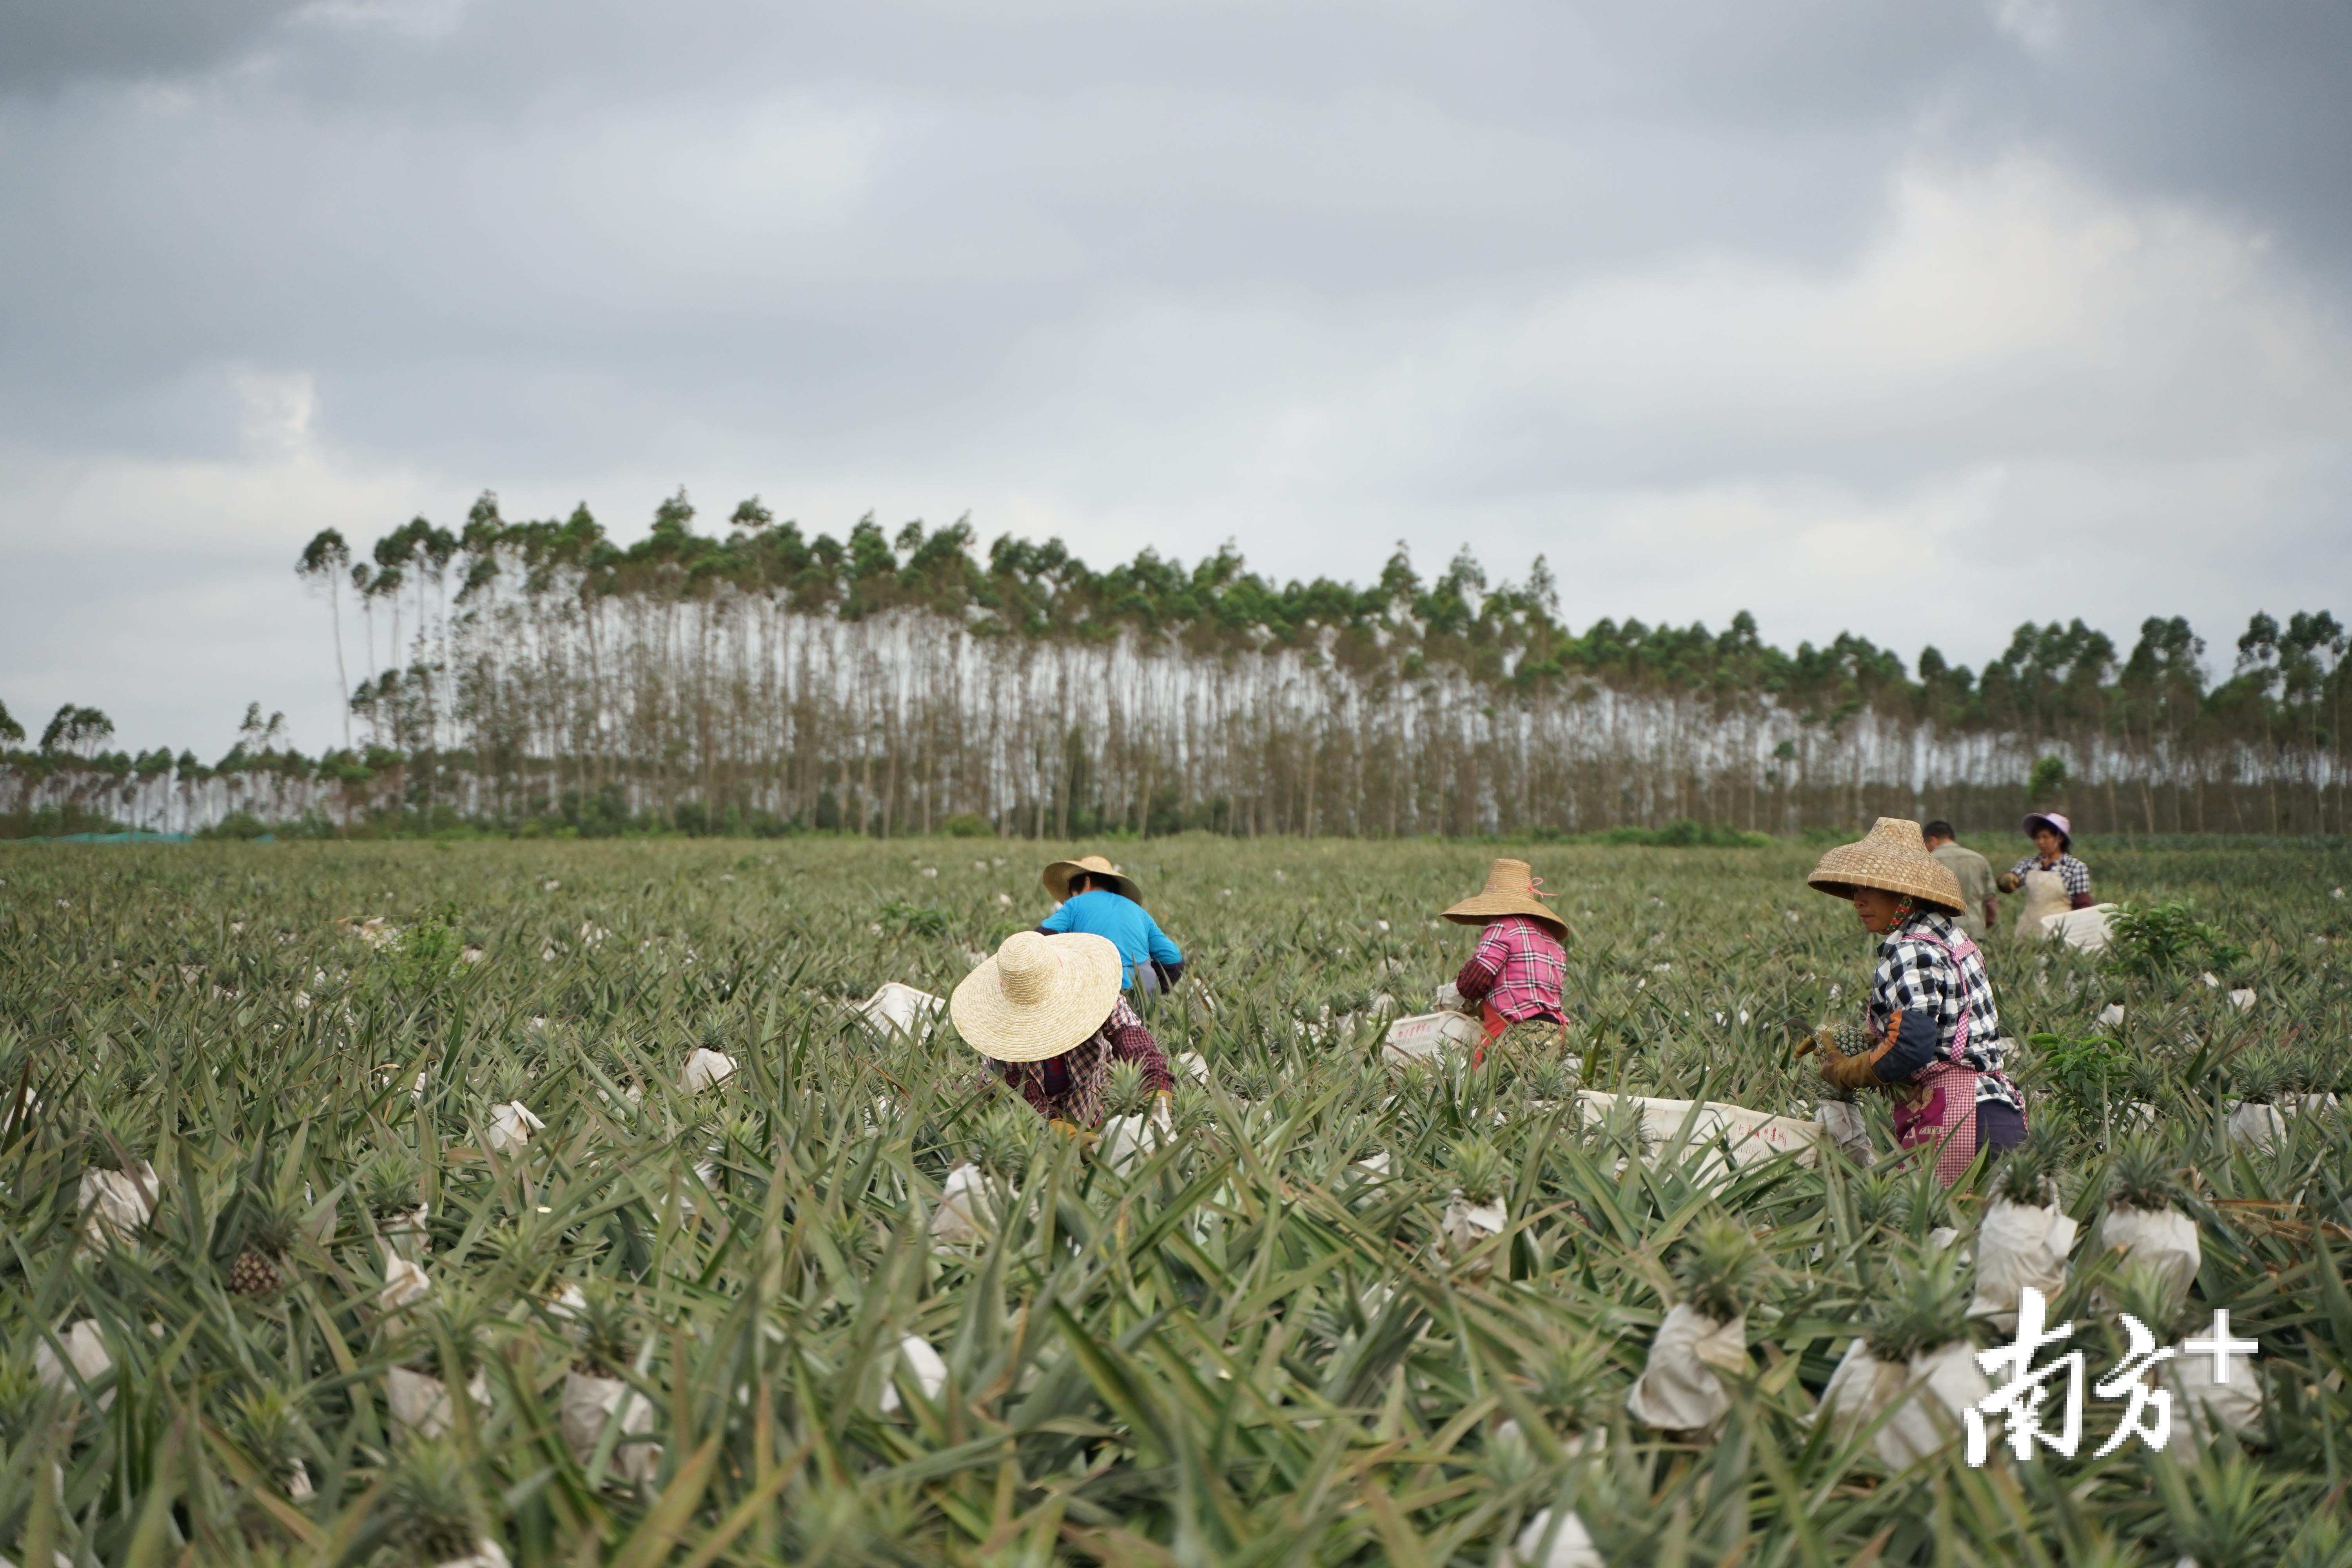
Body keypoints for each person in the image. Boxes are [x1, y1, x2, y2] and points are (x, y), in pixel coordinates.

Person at [1806, 817, 2027, 1186]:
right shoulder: (1953, 940)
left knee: (1935, 1235)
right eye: (1855, 889)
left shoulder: (1913, 950)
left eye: (1869, 888)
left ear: (1904, 894)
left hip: (1957, 1120)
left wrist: (1847, 1072)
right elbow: (1935, 1028)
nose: (1857, 901)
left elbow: (1912, 1047)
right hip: (1993, 1112)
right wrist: (1855, 1041)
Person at [952, 930, 1172, 1129]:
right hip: (1023, 1122)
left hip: (1091, 1101)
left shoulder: (1096, 992)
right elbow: (1026, 1099)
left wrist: (1156, 1086)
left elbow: (1130, 1035)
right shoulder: (1003, 1037)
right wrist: (1059, 1132)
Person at [1441, 857, 1570, 1063]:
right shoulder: (1551, 941)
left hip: (1518, 1034)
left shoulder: (1503, 927)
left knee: (1490, 1091)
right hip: (1554, 1034)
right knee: (1535, 1094)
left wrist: (1456, 994)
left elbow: (1475, 980)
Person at [1035, 854, 1185, 995]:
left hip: (1100, 991)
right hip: (1144, 993)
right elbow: (1174, 960)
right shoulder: (1139, 912)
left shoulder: (1075, 904)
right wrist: (1155, 989)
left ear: (1087, 882)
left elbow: (1041, 937)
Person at [1996, 812, 2093, 910]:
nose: (2041, 842)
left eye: (2046, 837)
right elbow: (2011, 880)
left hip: (2059, 924)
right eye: (2038, 838)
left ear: (2060, 839)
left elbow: (2083, 905)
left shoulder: (2075, 867)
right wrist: (2007, 880)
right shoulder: (2029, 864)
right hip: (2031, 923)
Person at [1922, 820, 1998, 942]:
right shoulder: (1979, 859)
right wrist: (1987, 923)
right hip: (1975, 930)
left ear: (1933, 841)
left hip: (1939, 933)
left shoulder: (1929, 861)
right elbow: (1991, 901)